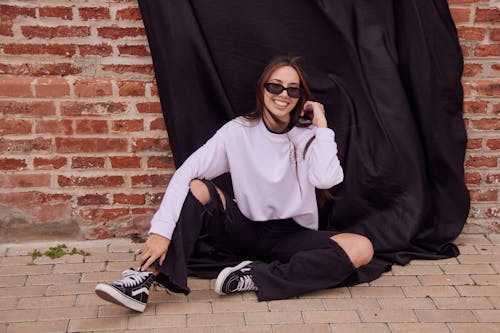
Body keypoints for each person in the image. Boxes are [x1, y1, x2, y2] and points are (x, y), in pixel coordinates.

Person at [95, 55, 374, 312]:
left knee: (362, 248)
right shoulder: (238, 131)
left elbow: (327, 179)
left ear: (302, 97)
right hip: (244, 229)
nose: (283, 95)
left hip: (293, 237)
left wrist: (322, 124)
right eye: (275, 86)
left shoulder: (310, 136)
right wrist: (161, 231)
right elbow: (187, 172)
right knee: (198, 186)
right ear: (262, 89)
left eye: (293, 89)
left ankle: (255, 276)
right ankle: (144, 278)